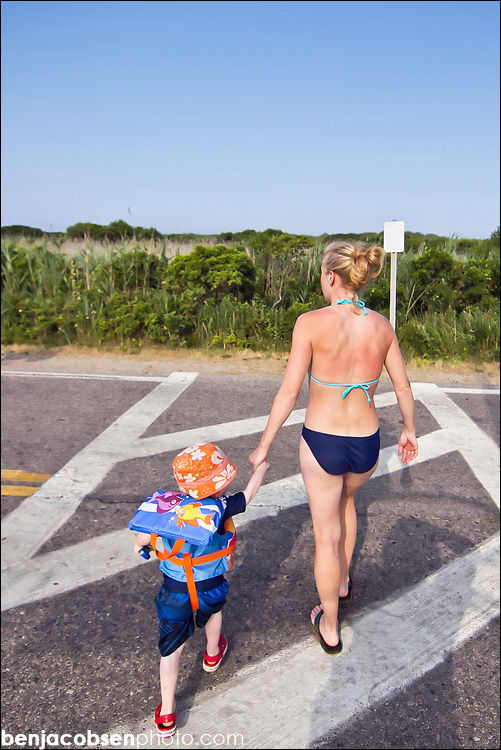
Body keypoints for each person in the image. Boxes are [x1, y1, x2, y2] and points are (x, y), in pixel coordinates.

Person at [249, 241, 418, 655]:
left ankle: (329, 624)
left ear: (330, 277)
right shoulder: (382, 326)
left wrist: (264, 444)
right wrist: (409, 430)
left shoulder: (310, 323)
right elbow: (402, 386)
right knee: (347, 503)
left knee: (326, 537)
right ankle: (341, 582)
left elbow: (290, 391)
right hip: (366, 445)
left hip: (323, 443)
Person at [133, 442, 269, 735]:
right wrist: (261, 469)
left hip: (175, 589)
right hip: (210, 583)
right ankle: (212, 654)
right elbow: (249, 493)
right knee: (213, 614)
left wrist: (142, 547)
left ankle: (167, 712)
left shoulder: (167, 508)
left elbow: (142, 541)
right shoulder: (221, 507)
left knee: (171, 649)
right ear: (219, 483)